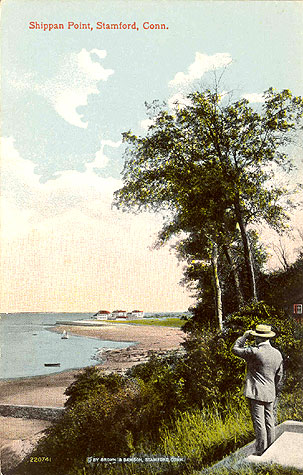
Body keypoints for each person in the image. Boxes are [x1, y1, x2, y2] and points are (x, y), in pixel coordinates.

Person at [232, 324, 283, 456]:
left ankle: (260, 450)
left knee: (259, 422)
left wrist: (244, 336)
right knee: (269, 421)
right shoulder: (277, 354)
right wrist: (273, 387)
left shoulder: (254, 352)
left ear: (258, 338)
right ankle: (271, 449)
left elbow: (235, 349)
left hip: (256, 392)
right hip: (270, 391)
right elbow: (279, 376)